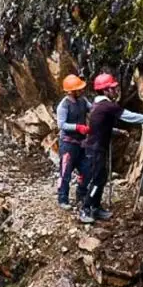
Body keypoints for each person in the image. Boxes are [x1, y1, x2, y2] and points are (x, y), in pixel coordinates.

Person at [78, 73, 143, 224]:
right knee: (97, 180)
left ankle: (96, 208)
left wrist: (116, 132)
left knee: (100, 179)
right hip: (95, 150)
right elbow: (128, 116)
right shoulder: (107, 106)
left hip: (95, 148)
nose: (116, 91)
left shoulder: (97, 104)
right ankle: (86, 208)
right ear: (105, 91)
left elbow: (99, 126)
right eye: (112, 89)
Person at [54, 74, 90, 210]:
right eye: (78, 89)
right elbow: (61, 125)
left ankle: (81, 195)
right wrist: (78, 127)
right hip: (68, 144)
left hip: (81, 143)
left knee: (86, 170)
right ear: (71, 91)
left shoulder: (83, 101)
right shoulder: (63, 106)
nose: (81, 91)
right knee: (65, 172)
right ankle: (63, 198)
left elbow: (91, 109)